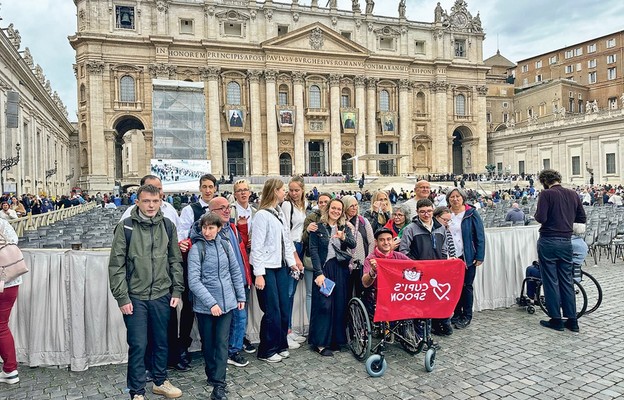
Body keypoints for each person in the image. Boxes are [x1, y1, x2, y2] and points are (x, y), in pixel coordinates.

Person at [108, 184, 184, 400]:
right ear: (137, 202)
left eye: (155, 201)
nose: (151, 205)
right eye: (147, 201)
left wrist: (176, 290)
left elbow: (175, 261)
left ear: (160, 201)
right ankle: (137, 391)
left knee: (162, 341)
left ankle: (160, 381)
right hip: (135, 296)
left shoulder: (168, 226)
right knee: (139, 344)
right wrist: (122, 297)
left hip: (162, 294)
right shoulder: (126, 228)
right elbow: (116, 266)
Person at [187, 212, 245, 400]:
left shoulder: (225, 245)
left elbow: (236, 272)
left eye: (211, 228)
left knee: (221, 343)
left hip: (227, 304)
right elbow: (194, 281)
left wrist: (240, 296)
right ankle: (212, 373)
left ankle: (219, 385)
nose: (207, 231)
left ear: (219, 228)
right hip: (205, 307)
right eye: (204, 227)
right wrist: (211, 303)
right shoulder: (197, 249)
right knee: (208, 343)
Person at [250, 179, 297, 363]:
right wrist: (259, 273)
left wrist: (292, 262)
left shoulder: (278, 213)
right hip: (267, 268)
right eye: (282, 190)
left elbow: (286, 239)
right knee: (272, 310)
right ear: (274, 191)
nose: (285, 193)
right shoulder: (262, 215)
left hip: (280, 266)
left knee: (284, 308)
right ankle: (266, 350)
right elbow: (257, 246)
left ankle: (280, 344)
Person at [534, 169, 586, 332]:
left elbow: (541, 218)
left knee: (550, 280)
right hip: (566, 241)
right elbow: (582, 218)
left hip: (549, 240)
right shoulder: (573, 194)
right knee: (567, 280)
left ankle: (556, 319)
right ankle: (572, 320)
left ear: (544, 181)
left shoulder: (546, 194)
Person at [206, 196, 253, 369]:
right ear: (211, 212)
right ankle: (226, 352)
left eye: (228, 207)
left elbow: (241, 251)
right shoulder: (208, 232)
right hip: (223, 284)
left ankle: (233, 350)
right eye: (222, 208)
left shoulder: (231, 227)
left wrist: (242, 227)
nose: (227, 210)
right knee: (227, 322)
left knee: (240, 319)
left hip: (239, 280)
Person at [308, 198, 356, 356]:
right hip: (325, 269)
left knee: (339, 304)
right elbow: (313, 251)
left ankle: (335, 340)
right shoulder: (318, 227)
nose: (336, 211)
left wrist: (343, 237)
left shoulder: (344, 227)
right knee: (324, 305)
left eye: (339, 209)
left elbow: (353, 244)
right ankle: (320, 343)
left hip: (340, 269)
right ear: (328, 209)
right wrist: (318, 273)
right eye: (333, 208)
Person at [447, 188, 486, 330]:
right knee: (454, 287)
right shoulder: (446, 214)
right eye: (452, 197)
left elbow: (480, 236)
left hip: (467, 255)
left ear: (463, 198)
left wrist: (480, 255)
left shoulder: (471, 213)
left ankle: (467, 315)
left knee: (467, 286)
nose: (455, 199)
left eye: (458, 196)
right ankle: (456, 313)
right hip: (451, 256)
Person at [229, 179, 257, 354]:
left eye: (245, 190)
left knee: (245, 300)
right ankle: (234, 341)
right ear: (234, 193)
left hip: (251, 258)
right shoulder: (230, 211)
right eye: (239, 190)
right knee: (238, 301)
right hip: (236, 259)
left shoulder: (254, 211)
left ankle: (241, 336)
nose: (243, 193)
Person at [280, 176, 307, 349]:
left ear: (303, 190)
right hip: (291, 249)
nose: (293, 193)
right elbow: (285, 232)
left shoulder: (302, 205)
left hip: (300, 246)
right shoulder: (287, 205)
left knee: (292, 291)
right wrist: (294, 255)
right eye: (291, 190)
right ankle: (285, 332)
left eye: (296, 190)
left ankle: (289, 328)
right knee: (288, 292)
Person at [361, 227, 410, 316]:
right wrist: (373, 271)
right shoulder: (370, 259)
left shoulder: (399, 256)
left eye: (388, 239)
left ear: (392, 241)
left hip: (398, 295)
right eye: (382, 240)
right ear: (376, 242)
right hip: (379, 297)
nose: (386, 243)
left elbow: (416, 266)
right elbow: (365, 283)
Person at [301, 192, 332, 318]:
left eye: (326, 202)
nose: (323, 204)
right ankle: (311, 324)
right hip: (312, 260)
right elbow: (304, 239)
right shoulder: (311, 217)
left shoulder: (336, 216)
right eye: (321, 202)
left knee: (327, 291)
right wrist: (308, 231)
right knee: (310, 294)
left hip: (329, 261)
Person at [341, 195, 375, 298]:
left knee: (362, 293)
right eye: (351, 206)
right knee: (346, 294)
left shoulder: (363, 221)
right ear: (345, 207)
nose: (355, 208)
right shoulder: (340, 222)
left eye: (356, 205)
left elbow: (371, 242)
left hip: (361, 263)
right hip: (345, 264)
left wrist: (368, 260)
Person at [0, 219, 20, 385]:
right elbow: (14, 241)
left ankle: (10, 369)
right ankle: (10, 369)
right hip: (11, 281)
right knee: (2, 326)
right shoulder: (3, 224)